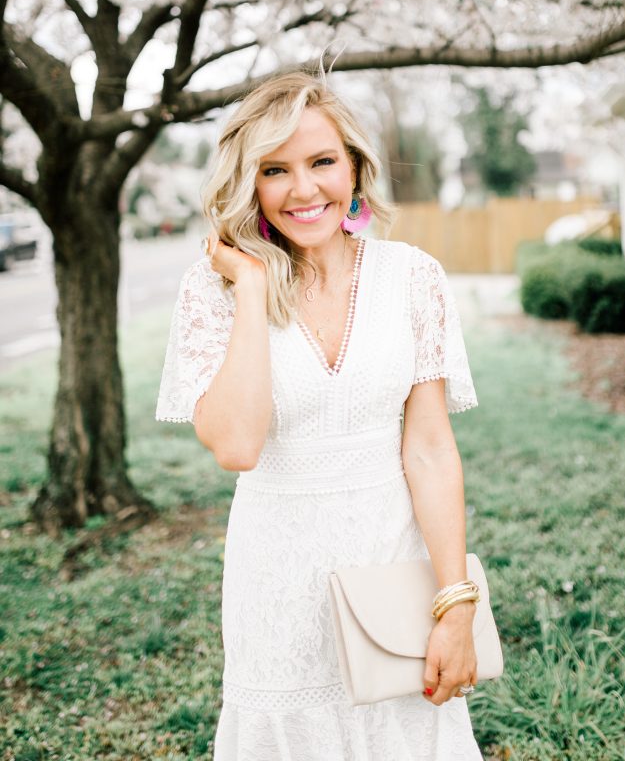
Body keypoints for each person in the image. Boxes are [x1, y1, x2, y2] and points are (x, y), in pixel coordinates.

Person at [155, 70, 484, 760]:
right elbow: (237, 445)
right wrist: (251, 287)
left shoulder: (412, 276)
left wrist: (456, 603)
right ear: (249, 183)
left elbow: (429, 449)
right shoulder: (213, 292)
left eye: (322, 162)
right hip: (276, 582)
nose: (303, 189)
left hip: (393, 563)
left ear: (355, 168)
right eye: (274, 169)